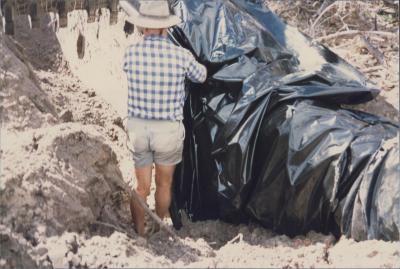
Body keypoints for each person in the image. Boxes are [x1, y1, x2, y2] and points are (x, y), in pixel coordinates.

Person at [122, 0, 207, 236]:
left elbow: (126, 69)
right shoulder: (181, 55)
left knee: (141, 186)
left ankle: (139, 230)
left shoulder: (130, 53)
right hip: (168, 131)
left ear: (143, 27)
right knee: (164, 184)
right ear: (165, 28)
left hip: (139, 128)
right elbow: (201, 76)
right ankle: (159, 225)